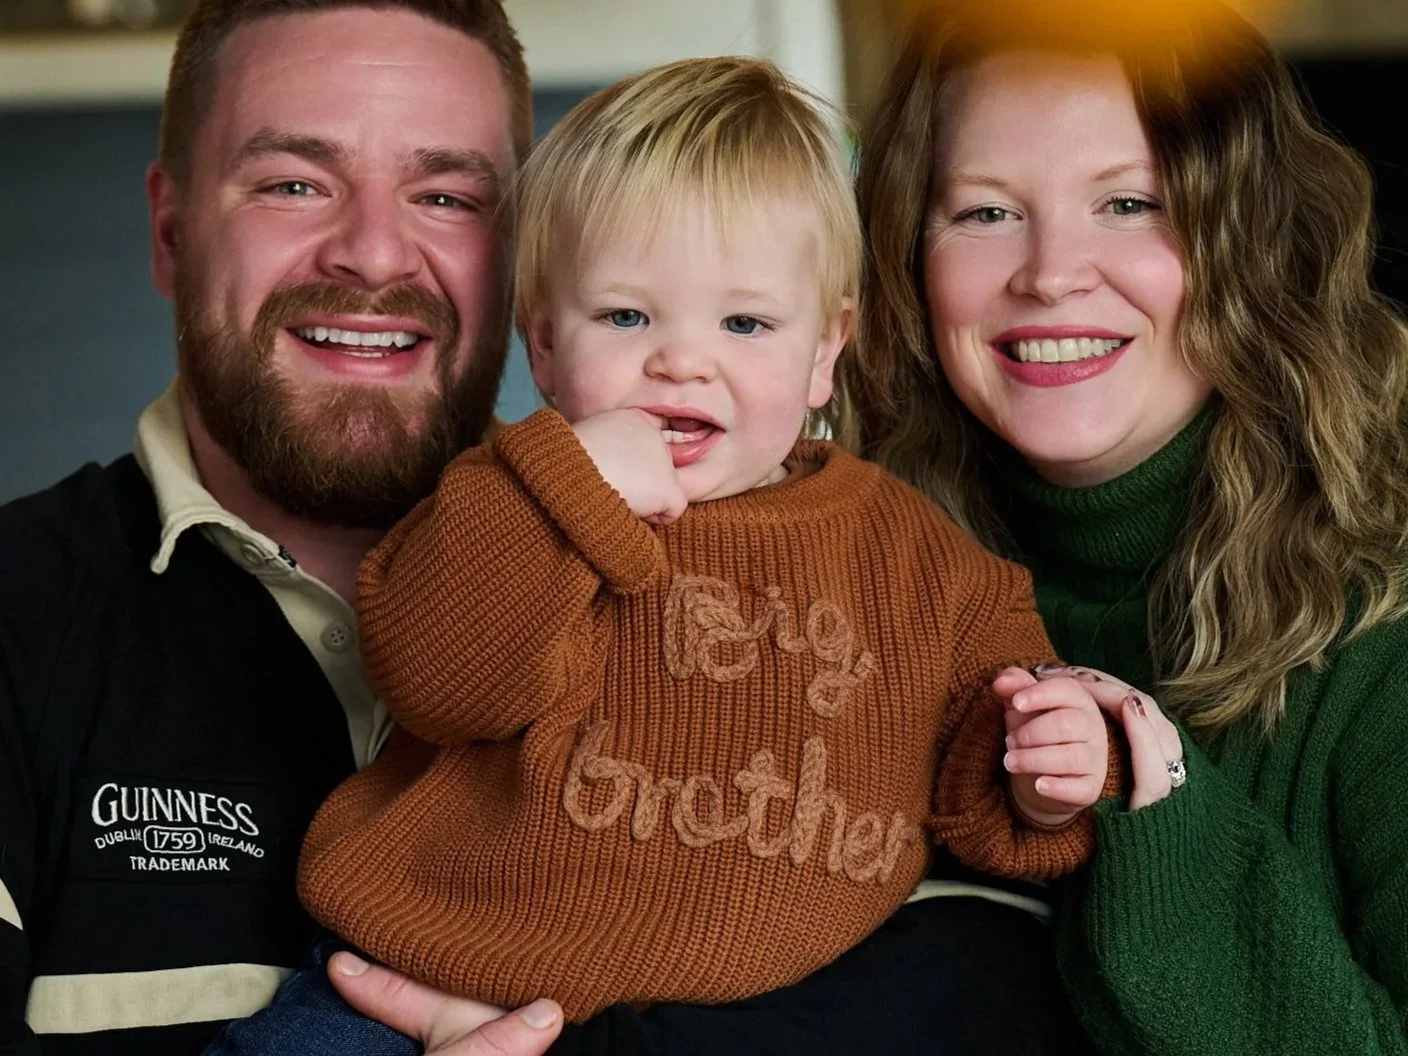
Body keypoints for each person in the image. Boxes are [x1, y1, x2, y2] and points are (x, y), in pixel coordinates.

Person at [0, 1, 1095, 1054]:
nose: (373, 255)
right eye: (293, 182)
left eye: (446, 196)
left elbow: (996, 937)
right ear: (169, 229)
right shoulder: (27, 611)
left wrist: (1053, 763)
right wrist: (559, 489)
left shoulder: (902, 577)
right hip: (365, 996)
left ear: (825, 348)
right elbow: (444, 666)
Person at [839, 1, 1408, 1052]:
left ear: (1250, 235)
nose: (1049, 273)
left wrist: (1157, 815)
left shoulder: (1387, 627)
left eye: (1130, 201)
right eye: (982, 213)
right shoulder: (852, 585)